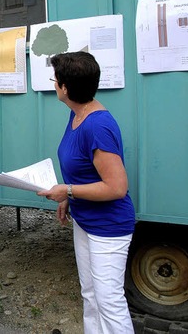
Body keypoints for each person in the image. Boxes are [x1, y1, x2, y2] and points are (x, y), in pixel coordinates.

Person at [37, 51, 135, 334]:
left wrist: (66, 189)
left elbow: (116, 187)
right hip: (85, 221)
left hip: (108, 227)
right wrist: (70, 197)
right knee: (91, 296)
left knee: (110, 303)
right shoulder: (77, 113)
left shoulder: (97, 125)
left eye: (56, 80)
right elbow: (86, 171)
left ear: (66, 88)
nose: (54, 84)